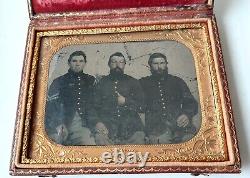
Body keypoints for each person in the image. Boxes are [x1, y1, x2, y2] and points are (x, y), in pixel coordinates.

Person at [139, 53, 198, 144]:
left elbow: (191, 103)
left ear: (166, 64)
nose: (159, 67)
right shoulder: (142, 83)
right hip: (156, 128)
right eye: (155, 64)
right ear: (150, 66)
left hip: (180, 125)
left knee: (191, 142)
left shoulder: (177, 81)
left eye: (162, 63)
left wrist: (186, 114)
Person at [91, 52, 145, 145]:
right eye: (114, 62)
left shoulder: (133, 82)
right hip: (107, 128)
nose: (117, 65)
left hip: (132, 129)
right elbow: (91, 106)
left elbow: (143, 105)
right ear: (109, 64)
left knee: (139, 143)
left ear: (124, 64)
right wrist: (97, 122)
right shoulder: (101, 83)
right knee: (100, 141)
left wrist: (126, 101)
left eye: (121, 62)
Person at [45, 51, 96, 145]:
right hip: (62, 121)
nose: (77, 64)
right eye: (74, 61)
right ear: (69, 63)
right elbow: (51, 106)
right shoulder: (59, 81)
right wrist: (58, 123)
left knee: (88, 142)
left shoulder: (90, 80)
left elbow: (95, 103)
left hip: (83, 123)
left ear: (85, 63)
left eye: (81, 61)